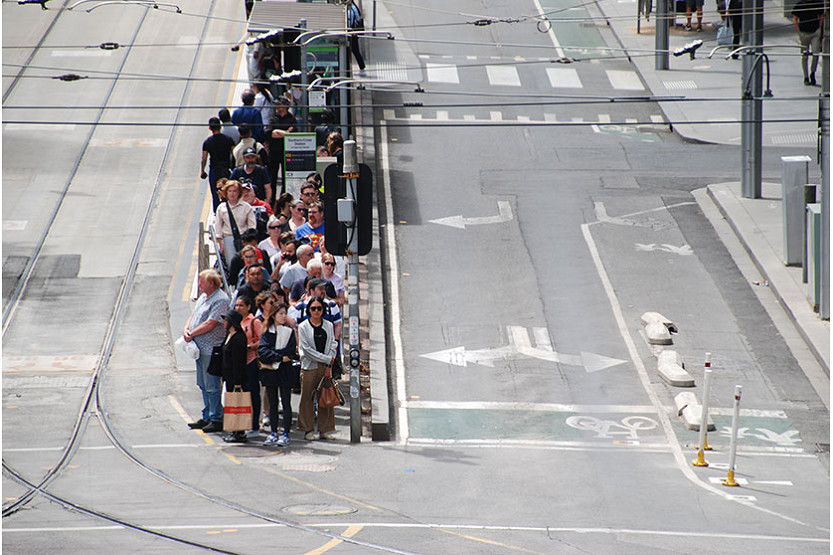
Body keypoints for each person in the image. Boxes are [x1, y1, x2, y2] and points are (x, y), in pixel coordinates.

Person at [183, 270, 230, 434]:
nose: (199, 285)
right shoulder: (203, 297)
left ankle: (216, 417)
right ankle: (207, 415)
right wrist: (186, 329)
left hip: (211, 348)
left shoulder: (221, 300)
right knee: (202, 383)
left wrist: (192, 333)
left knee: (212, 384)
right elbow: (194, 315)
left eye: (202, 282)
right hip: (199, 348)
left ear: (211, 283)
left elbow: (210, 323)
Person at [297, 297, 339, 441]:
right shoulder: (303, 327)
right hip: (309, 367)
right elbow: (306, 350)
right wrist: (326, 359)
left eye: (319, 308)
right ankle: (307, 429)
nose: (316, 311)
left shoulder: (328, 325)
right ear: (309, 310)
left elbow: (333, 344)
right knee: (307, 399)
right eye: (313, 308)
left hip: (325, 367)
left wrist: (328, 364)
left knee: (325, 397)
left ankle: (324, 430)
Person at [258, 302, 299, 446]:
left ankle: (286, 433)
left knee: (286, 402)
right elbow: (262, 352)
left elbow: (291, 351)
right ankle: (273, 432)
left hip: (285, 372)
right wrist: (279, 357)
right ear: (274, 315)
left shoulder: (288, 331)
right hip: (271, 372)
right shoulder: (267, 332)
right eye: (280, 313)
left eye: (284, 313)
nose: (283, 316)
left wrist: (275, 354)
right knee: (273, 403)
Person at [234, 295, 262, 439]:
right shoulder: (234, 322)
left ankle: (255, 425)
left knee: (253, 395)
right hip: (237, 364)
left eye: (241, 306)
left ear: (248, 307)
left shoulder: (253, 322)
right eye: (237, 305)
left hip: (250, 362)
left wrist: (250, 347)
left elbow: (261, 340)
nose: (238, 308)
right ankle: (240, 426)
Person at [220, 309, 249, 443]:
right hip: (229, 377)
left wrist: (238, 382)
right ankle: (235, 430)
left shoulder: (238, 338)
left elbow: (238, 362)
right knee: (231, 405)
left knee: (236, 405)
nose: (224, 322)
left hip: (235, 378)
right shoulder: (229, 335)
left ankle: (239, 432)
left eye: (226, 320)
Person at [215, 180, 256, 267]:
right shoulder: (221, 208)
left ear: (239, 193)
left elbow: (252, 226)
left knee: (245, 262)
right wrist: (221, 245)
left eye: (234, 191)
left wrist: (249, 240)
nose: (232, 194)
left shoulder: (246, 207)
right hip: (228, 237)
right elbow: (218, 227)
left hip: (243, 238)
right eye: (230, 191)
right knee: (232, 262)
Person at [201, 117, 236, 211]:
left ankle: (218, 212)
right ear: (220, 127)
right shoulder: (228, 140)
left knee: (215, 193)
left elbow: (204, 158)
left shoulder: (207, 142)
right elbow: (234, 154)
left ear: (210, 128)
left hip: (214, 169)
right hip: (226, 169)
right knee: (229, 191)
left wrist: (202, 171)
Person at [265, 97, 297, 186]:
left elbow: (292, 135)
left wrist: (278, 132)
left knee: (286, 177)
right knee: (272, 176)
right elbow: (270, 133)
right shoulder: (273, 119)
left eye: (279, 105)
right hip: (274, 151)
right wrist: (286, 132)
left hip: (286, 151)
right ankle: (272, 198)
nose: (277, 107)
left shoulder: (291, 119)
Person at [792, 0, 825, 85]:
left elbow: (821, 16)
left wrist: (819, 28)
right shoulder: (800, 4)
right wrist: (799, 32)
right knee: (804, 55)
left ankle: (812, 72)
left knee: (816, 53)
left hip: (815, 33)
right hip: (804, 33)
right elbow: (795, 19)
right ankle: (805, 76)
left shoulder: (816, 3)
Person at [347, 0, 367, 75]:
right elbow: (358, 19)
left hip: (352, 33)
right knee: (354, 50)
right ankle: (361, 66)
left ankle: (361, 66)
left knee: (354, 49)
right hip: (353, 32)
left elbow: (352, 21)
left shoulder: (350, 9)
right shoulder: (353, 6)